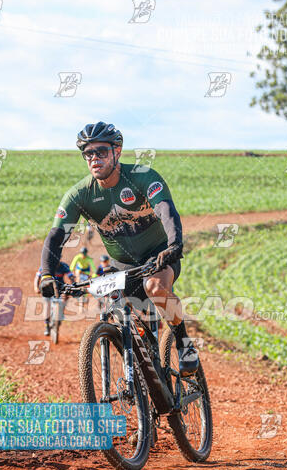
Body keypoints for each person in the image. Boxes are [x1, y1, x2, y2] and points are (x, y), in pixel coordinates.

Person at [39, 121, 198, 376]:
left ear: (118, 151)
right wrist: (47, 273)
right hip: (122, 265)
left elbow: (166, 210)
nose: (94, 158)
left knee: (154, 288)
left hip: (158, 257)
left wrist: (174, 245)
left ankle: (184, 343)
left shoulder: (141, 176)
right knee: (112, 304)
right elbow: (56, 235)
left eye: (101, 151)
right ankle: (139, 366)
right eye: (88, 153)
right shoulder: (79, 195)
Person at [34, 261, 74, 336]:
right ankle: (47, 325)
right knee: (47, 305)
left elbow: (71, 276)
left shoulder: (64, 266)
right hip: (48, 288)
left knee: (66, 296)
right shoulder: (46, 265)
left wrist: (73, 285)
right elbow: (37, 277)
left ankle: (61, 311)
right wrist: (36, 287)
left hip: (59, 288)